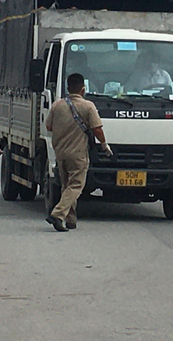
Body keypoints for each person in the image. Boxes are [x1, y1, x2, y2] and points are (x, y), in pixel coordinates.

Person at [45, 73, 112, 232]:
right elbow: (97, 129)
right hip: (78, 153)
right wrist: (104, 144)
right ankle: (57, 214)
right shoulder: (88, 106)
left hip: (60, 152)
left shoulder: (57, 105)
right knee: (76, 186)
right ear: (83, 89)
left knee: (66, 186)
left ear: (68, 88)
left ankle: (71, 220)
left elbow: (48, 126)